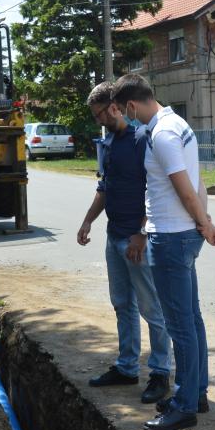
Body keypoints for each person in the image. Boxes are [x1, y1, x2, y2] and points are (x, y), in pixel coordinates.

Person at [112, 73, 215, 430]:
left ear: (131, 105)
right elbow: (196, 183)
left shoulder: (160, 134)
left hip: (172, 239)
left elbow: (185, 189)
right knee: (192, 319)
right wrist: (204, 223)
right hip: (182, 234)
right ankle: (197, 392)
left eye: (125, 113)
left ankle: (184, 405)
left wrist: (205, 223)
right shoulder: (178, 124)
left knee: (180, 326)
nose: (129, 121)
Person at [77, 82, 171, 405]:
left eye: (100, 114)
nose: (98, 121)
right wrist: (88, 220)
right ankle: (127, 366)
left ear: (115, 108)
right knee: (122, 304)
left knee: (151, 308)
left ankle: (160, 372)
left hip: (136, 241)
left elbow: (155, 189)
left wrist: (142, 234)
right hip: (114, 235)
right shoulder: (110, 142)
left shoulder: (142, 140)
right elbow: (104, 187)